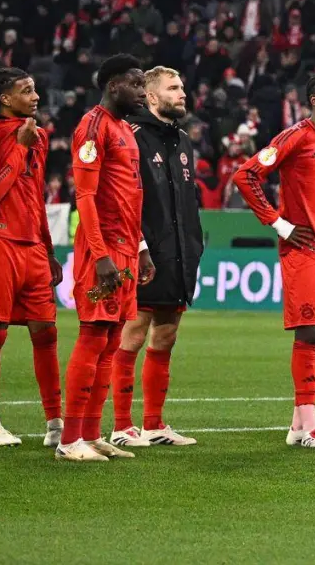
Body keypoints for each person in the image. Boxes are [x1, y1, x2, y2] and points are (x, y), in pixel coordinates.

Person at [235, 72, 315, 449]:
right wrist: (279, 224)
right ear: (313, 101)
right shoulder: (294, 137)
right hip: (302, 249)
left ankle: (298, 425)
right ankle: (311, 425)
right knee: (307, 331)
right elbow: (246, 176)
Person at [0, 68, 65, 449]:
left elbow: (35, 196)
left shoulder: (37, 135)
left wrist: (50, 251)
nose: (35, 96)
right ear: (6, 99)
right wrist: (20, 146)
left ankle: (55, 423)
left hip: (33, 248)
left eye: (35, 88)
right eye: (26, 91)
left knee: (47, 332)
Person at [56, 55, 148, 463]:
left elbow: (131, 196)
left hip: (127, 249)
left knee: (111, 340)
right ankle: (68, 438)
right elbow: (86, 196)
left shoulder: (125, 130)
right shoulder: (92, 127)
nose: (142, 93)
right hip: (103, 251)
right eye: (135, 84)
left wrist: (141, 248)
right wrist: (100, 255)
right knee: (93, 336)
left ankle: (90, 434)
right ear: (113, 85)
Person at [112, 67, 204, 448]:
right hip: (145, 251)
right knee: (134, 331)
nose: (182, 93)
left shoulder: (183, 140)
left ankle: (153, 424)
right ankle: (121, 425)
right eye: (173, 88)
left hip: (179, 252)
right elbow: (123, 200)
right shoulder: (131, 137)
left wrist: (193, 246)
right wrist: (138, 247)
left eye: (182, 86)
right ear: (151, 97)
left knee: (166, 335)